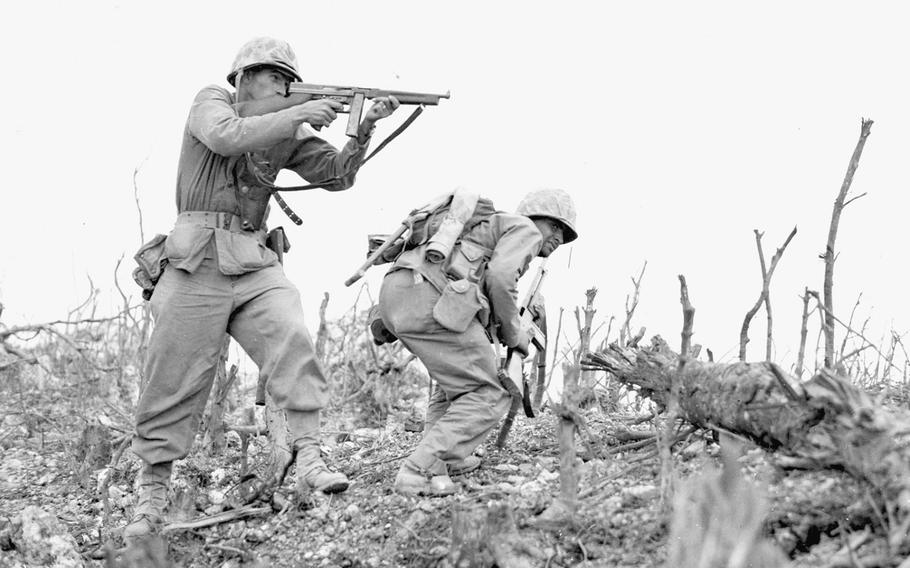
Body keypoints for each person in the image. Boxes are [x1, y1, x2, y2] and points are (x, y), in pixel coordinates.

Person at [124, 37, 399, 542]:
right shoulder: (214, 101)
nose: (284, 85)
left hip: (253, 260)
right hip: (196, 262)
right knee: (173, 377)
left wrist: (363, 129)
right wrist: (301, 111)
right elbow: (229, 137)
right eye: (275, 77)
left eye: (289, 80)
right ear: (245, 77)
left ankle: (310, 454)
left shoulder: (286, 128)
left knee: (291, 335)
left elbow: (336, 176)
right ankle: (151, 495)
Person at [377, 188, 578, 496]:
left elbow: (484, 285)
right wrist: (516, 334)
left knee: (454, 385)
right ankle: (419, 469)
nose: (557, 238)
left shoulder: (488, 232)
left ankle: (442, 463)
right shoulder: (523, 228)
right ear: (535, 218)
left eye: (564, 234)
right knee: (489, 391)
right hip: (429, 295)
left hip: (399, 294)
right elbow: (500, 278)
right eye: (555, 226)